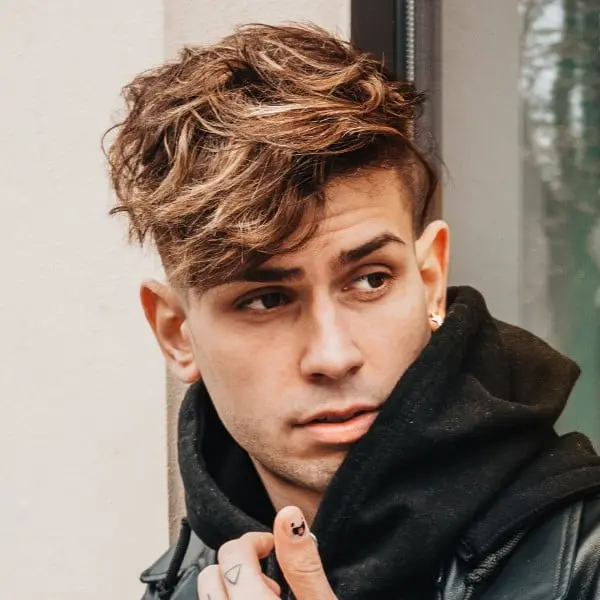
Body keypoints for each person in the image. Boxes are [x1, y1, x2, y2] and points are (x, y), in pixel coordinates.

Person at [104, 22, 600, 600]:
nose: (334, 356)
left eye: (370, 280)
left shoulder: (585, 564)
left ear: (431, 280)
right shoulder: (186, 582)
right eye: (265, 299)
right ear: (176, 334)